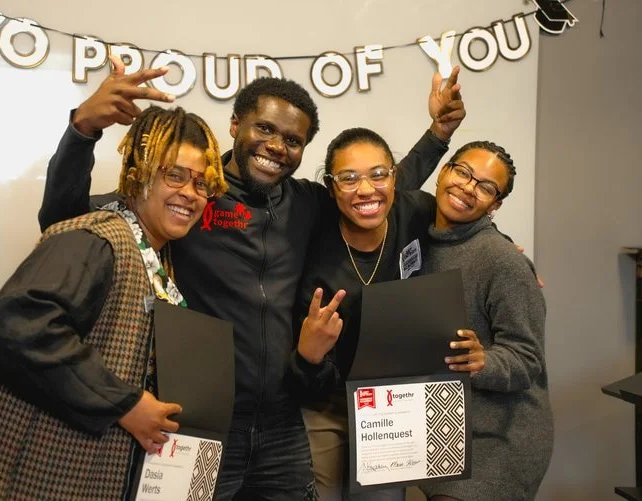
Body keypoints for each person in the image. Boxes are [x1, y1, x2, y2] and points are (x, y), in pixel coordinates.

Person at [37, 56, 465, 499]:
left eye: (294, 140)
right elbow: (62, 217)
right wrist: (83, 130)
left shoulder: (306, 203)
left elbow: (374, 191)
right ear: (236, 124)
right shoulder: (190, 196)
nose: (278, 146)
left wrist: (441, 144)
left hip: (282, 424)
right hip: (199, 423)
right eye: (265, 129)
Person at [0, 104, 228, 500]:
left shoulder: (161, 255)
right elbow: (22, 329)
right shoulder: (95, 238)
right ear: (139, 174)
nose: (189, 194)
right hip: (17, 484)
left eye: (201, 183)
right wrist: (124, 404)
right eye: (174, 175)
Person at [292, 128, 485, 500]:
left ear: (394, 178)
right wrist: (309, 356)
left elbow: (465, 228)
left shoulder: (415, 211)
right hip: (323, 402)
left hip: (390, 403)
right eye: (348, 178)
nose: (366, 190)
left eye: (379, 174)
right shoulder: (310, 234)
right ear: (331, 187)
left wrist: (507, 249)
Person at [419, 141, 553, 501]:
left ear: (495, 205)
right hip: (442, 431)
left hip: (498, 437)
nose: (468, 187)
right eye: (463, 172)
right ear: (444, 171)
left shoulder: (502, 260)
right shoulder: (413, 240)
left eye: (486, 187)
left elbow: (528, 357)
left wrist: (485, 361)